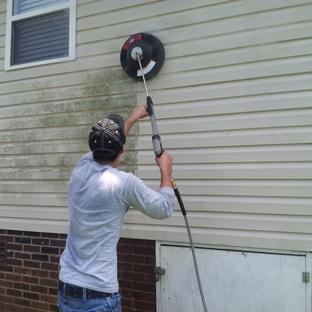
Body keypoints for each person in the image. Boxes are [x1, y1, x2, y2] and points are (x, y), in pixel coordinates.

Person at [57, 104, 175, 312]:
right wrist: (165, 170)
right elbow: (164, 208)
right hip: (97, 296)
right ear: (122, 150)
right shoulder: (124, 183)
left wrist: (134, 117)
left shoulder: (80, 168)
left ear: (91, 149)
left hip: (67, 289)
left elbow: (108, 145)